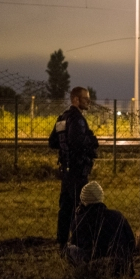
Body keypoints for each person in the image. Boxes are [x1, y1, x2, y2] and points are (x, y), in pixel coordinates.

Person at [49, 86, 99, 251]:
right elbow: (77, 142)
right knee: (80, 207)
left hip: (66, 170)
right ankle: (79, 241)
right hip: (78, 171)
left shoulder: (62, 118)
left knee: (65, 207)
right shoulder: (77, 119)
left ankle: (62, 241)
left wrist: (65, 150)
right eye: (85, 99)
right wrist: (91, 141)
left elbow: (53, 142)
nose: (88, 101)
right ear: (76, 100)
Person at [67, 181, 136, 276]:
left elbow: (76, 243)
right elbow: (131, 241)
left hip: (94, 266)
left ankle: (81, 274)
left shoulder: (78, 221)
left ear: (83, 200)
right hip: (120, 265)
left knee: (70, 249)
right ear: (101, 197)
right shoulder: (118, 216)